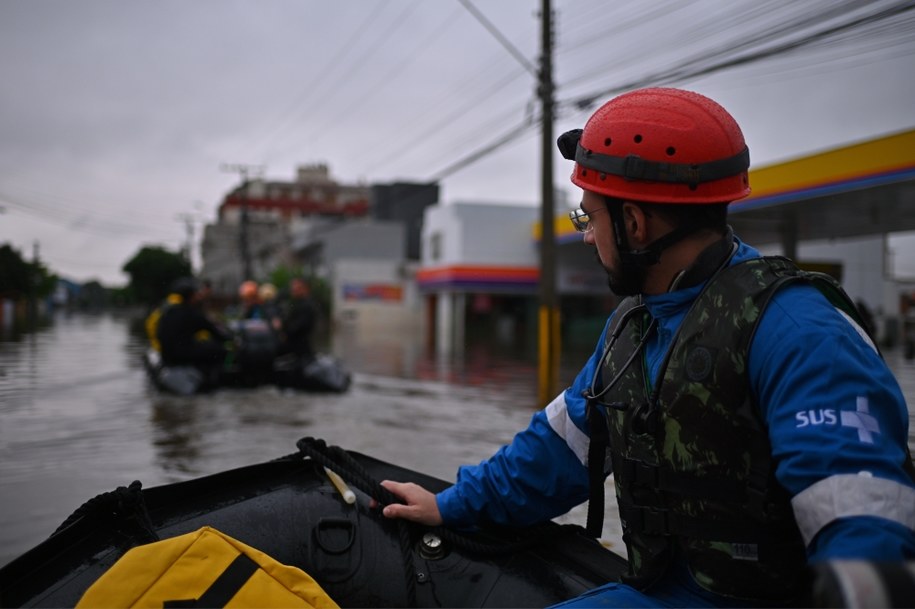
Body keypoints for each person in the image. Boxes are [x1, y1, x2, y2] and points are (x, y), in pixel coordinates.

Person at [378, 87, 915, 607]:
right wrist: (449, 506)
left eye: (589, 217)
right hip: (661, 588)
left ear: (634, 223)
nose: (587, 236)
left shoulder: (799, 332)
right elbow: (557, 450)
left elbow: (862, 526)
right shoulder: (634, 326)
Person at [156, 277, 231, 370]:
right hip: (183, 357)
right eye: (197, 293)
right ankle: (224, 373)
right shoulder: (192, 314)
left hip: (167, 358)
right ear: (192, 295)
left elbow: (159, 334)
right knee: (222, 350)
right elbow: (216, 333)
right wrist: (231, 340)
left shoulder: (169, 312)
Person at [279, 278, 318, 360]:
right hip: (296, 347)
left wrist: (286, 332)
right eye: (293, 288)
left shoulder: (306, 306)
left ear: (305, 289)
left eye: (297, 288)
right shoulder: (297, 304)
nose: (293, 290)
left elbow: (299, 326)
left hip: (299, 349)